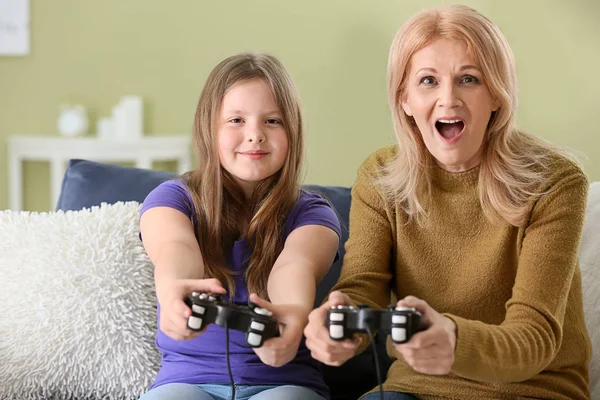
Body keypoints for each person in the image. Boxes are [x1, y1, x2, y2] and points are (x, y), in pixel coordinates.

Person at [304, 5, 592, 400]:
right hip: (414, 387)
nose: (448, 99)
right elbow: (362, 288)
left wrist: (454, 340)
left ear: (496, 95)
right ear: (404, 99)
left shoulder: (554, 182)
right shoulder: (380, 176)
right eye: (428, 81)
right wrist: (339, 326)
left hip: (533, 389)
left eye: (468, 79)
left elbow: (534, 337)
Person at [139, 53, 341, 400]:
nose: (255, 135)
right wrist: (175, 291)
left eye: (272, 121)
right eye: (236, 120)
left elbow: (296, 265)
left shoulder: (313, 212)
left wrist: (291, 314)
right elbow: (176, 248)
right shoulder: (171, 199)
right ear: (209, 128)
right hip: (186, 383)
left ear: (293, 131)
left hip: (285, 383)